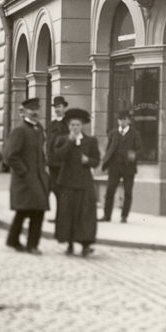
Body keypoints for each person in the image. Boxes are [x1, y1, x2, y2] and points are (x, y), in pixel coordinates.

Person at [50, 108, 100, 257]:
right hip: (67, 182)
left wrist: (88, 161)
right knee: (68, 214)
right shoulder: (63, 140)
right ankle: (70, 244)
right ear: (68, 126)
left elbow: (96, 160)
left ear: (82, 126)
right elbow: (58, 157)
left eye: (77, 125)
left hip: (84, 183)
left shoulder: (91, 141)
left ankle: (85, 245)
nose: (75, 128)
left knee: (85, 214)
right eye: (72, 125)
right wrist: (70, 142)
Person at [4, 97, 50, 254]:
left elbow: (40, 153)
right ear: (25, 112)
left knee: (28, 210)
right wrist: (24, 171)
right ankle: (31, 245)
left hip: (38, 178)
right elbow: (10, 155)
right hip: (24, 180)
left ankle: (13, 240)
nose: (35, 112)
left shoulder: (38, 129)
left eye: (37, 109)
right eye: (32, 110)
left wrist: (44, 169)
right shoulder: (20, 130)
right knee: (32, 211)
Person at [100, 110, 142, 223]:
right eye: (120, 119)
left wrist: (134, 154)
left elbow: (140, 149)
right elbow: (109, 149)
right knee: (110, 191)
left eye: (124, 119)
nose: (122, 122)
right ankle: (106, 215)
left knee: (127, 192)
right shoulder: (113, 133)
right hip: (114, 166)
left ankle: (124, 216)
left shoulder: (135, 134)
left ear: (129, 120)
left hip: (128, 167)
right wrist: (106, 160)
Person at [46, 96, 69, 221]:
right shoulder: (52, 124)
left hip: (64, 163)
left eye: (59, 107)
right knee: (55, 189)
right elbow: (48, 143)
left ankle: (61, 217)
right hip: (52, 163)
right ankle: (60, 216)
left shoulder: (68, 123)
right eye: (55, 107)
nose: (57, 109)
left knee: (62, 190)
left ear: (65, 107)